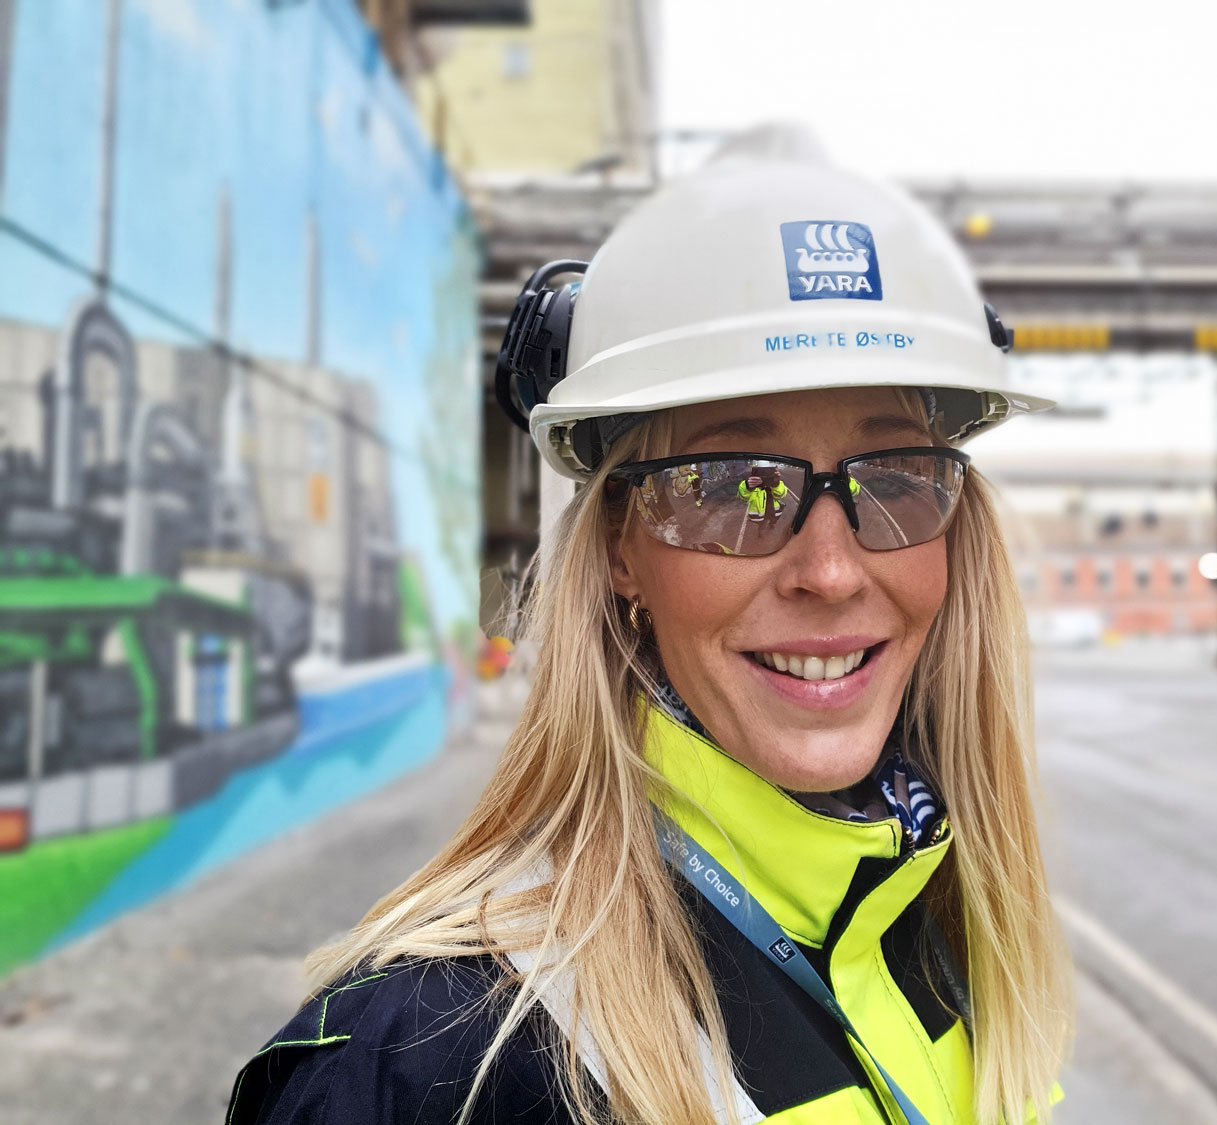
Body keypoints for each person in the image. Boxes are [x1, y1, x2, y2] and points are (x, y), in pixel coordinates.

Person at [228, 136, 1070, 1125]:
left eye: (891, 476)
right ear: (623, 551)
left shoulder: (943, 946)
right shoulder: (431, 1065)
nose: (833, 572)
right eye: (729, 489)